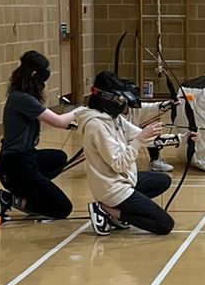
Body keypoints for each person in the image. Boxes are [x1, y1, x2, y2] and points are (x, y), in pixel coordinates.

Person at [74, 71, 175, 236]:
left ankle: (115, 209)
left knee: (162, 181)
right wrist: (140, 139)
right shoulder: (96, 126)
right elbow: (119, 163)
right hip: (111, 188)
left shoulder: (113, 118)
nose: (122, 103)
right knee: (164, 224)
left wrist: (181, 139)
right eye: (119, 99)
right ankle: (109, 210)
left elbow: (142, 136)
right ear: (107, 98)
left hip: (122, 179)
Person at [0, 51, 77, 222]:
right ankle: (9, 199)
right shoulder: (21, 98)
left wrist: (71, 123)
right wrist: (82, 110)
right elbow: (59, 121)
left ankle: (33, 192)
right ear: (34, 75)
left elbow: (51, 119)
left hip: (27, 157)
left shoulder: (23, 96)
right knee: (62, 208)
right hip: (15, 165)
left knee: (58, 158)